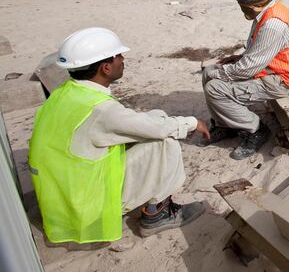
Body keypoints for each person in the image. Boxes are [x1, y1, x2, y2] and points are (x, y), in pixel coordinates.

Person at [28, 27, 211, 244]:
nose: (123, 59)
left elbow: (139, 123)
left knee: (156, 117)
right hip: (87, 204)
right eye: (118, 56)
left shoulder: (66, 93)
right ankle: (157, 214)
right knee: (166, 142)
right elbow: (158, 130)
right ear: (106, 68)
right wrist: (192, 122)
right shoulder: (101, 110)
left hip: (63, 195)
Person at [202, 0, 289, 160]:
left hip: (281, 80)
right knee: (208, 71)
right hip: (267, 69)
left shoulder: (273, 24)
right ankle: (225, 124)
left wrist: (223, 74)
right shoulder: (266, 12)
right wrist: (239, 58)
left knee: (215, 87)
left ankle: (256, 130)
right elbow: (258, 53)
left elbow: (250, 66)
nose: (241, 0)